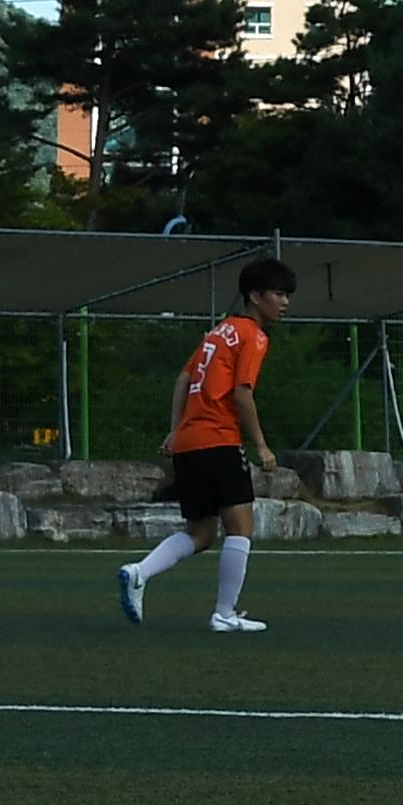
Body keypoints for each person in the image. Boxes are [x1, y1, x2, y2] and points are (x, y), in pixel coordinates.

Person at [119, 256, 294, 632]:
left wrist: (174, 430)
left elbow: (183, 378)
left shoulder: (217, 332)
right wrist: (261, 445)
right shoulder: (252, 335)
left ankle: (138, 572)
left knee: (200, 533)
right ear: (255, 296)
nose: (284, 303)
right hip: (219, 439)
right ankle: (224, 614)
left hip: (189, 443)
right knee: (241, 528)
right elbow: (242, 392)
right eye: (278, 294)